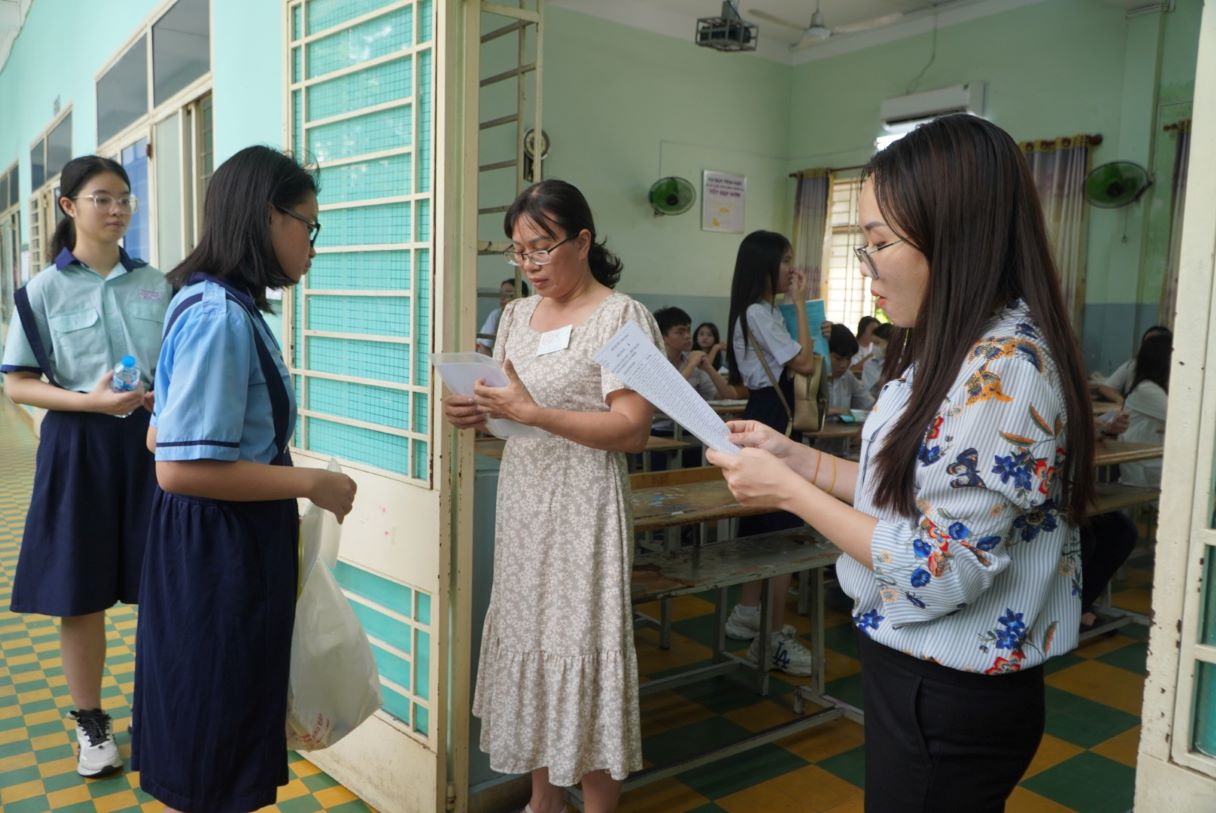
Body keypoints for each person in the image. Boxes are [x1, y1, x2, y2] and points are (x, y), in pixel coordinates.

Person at [707, 114, 1095, 811]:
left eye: (879, 242)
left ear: (956, 233)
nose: (866, 265)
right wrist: (794, 458)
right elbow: (912, 491)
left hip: (948, 687)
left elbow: (940, 566)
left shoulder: (1002, 371)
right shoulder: (955, 347)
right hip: (920, 668)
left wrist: (791, 494)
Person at [131, 146, 357, 813]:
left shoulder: (212, 303)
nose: (312, 245)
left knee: (219, 726)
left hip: (224, 541)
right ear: (267, 217)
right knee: (213, 733)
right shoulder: (218, 316)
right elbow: (176, 467)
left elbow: (156, 434)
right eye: (308, 226)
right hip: (217, 552)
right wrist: (309, 483)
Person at [443, 179, 658, 813]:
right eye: (518, 252)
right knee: (531, 641)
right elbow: (513, 410)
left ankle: (595, 806)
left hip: (584, 505)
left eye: (542, 248)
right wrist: (481, 413)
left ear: (583, 240)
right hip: (525, 500)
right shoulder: (514, 316)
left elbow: (632, 429)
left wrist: (533, 414)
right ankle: (542, 800)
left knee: (582, 648)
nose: (530, 264)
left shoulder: (622, 317)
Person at [1, 155, 168, 778]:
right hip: (78, 445)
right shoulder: (40, 291)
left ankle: (160, 709)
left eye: (125, 197)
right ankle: (91, 724)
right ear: (70, 207)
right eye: (103, 198)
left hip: (153, 443)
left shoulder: (156, 283)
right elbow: (17, 384)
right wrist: (88, 401)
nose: (119, 208)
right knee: (83, 592)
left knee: (165, 580)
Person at [722, 230, 819, 677]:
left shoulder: (756, 312)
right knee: (782, 525)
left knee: (761, 520)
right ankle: (772, 637)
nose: (791, 269)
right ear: (763, 265)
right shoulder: (761, 313)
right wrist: (802, 305)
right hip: (771, 414)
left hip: (762, 410)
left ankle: (748, 613)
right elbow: (804, 363)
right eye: (784, 261)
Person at [1116, 332, 1170, 488]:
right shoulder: (1146, 389)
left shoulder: (1157, 388)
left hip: (1153, 462)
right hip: (1144, 468)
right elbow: (1185, 417)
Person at [1093, 325, 1171, 406]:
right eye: (1146, 344)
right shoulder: (1133, 365)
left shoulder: (1173, 370)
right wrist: (1121, 401)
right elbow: (1105, 388)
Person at [827, 323, 875, 416]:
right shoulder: (811, 378)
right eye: (838, 358)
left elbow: (870, 404)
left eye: (849, 359)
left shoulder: (848, 377)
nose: (844, 365)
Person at [476, 276, 530, 355]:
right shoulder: (496, 315)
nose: (503, 297)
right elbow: (484, 345)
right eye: (501, 293)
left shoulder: (530, 315)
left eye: (508, 292)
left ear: (523, 296)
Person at [861, 322, 893, 399]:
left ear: (892, 343)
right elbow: (871, 393)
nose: (874, 347)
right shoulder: (870, 365)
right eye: (873, 343)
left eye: (877, 343)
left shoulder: (904, 364)